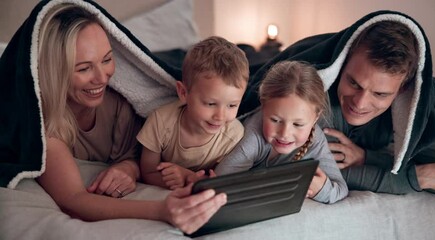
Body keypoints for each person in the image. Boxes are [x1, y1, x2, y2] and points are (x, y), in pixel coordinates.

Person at [2, 3, 226, 234]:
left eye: (107, 59)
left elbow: (137, 156)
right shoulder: (45, 125)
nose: (102, 78)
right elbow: (74, 200)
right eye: (84, 68)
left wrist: (128, 168)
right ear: (55, 71)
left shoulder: (120, 105)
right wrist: (163, 210)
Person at [239, 10, 435, 197]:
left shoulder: (422, 106)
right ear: (343, 64)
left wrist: (367, 157)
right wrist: (420, 178)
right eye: (353, 82)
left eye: (379, 94)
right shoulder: (313, 97)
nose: (360, 103)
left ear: (402, 91)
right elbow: (322, 171)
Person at [216, 61, 348, 204]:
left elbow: (341, 189)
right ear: (263, 107)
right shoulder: (253, 134)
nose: (285, 133)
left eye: (298, 124)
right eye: (275, 120)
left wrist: (321, 189)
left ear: (316, 117)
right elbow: (221, 182)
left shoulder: (316, 139)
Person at [138, 36, 249, 190]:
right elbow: (147, 171)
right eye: (211, 104)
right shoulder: (160, 122)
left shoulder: (234, 135)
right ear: (183, 93)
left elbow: (223, 180)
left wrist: (191, 178)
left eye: (232, 105)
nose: (220, 116)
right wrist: (177, 182)